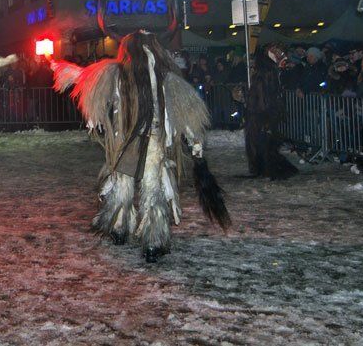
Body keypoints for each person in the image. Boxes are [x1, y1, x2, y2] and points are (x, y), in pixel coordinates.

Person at [51, 30, 231, 262]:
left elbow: (85, 77)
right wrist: (196, 143)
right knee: (151, 187)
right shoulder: (164, 76)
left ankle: (121, 228)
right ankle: (151, 240)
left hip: (128, 140)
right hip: (150, 139)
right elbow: (188, 112)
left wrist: (62, 69)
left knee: (124, 182)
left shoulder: (119, 74)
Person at [245, 45, 299, 180]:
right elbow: (264, 96)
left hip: (263, 112)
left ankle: (264, 168)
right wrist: (266, 115)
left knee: (264, 142)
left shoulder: (268, 71)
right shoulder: (267, 72)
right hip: (263, 113)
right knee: (263, 142)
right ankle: (265, 168)